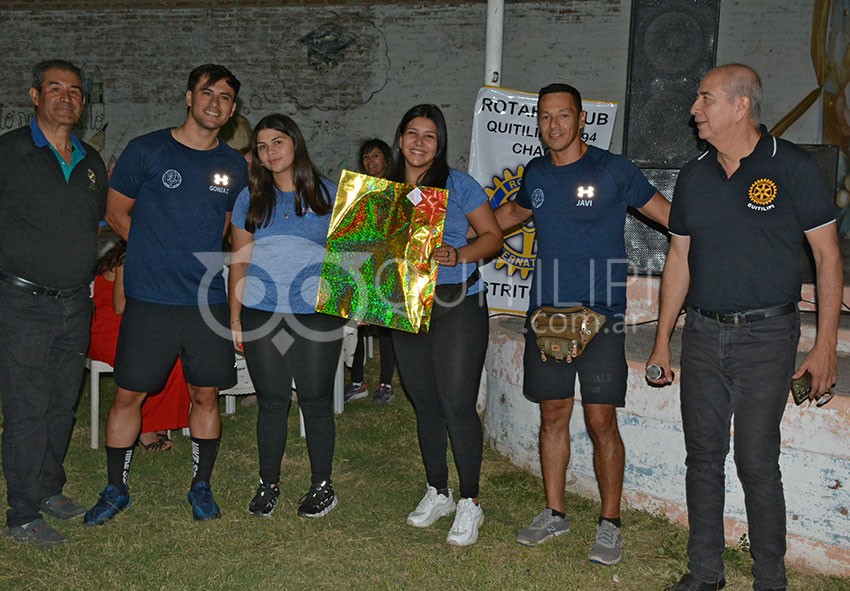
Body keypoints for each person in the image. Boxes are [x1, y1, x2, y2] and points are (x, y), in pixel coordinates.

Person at [647, 64, 842, 591]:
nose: (694, 109)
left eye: (705, 99)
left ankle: (769, 581)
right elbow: (679, 258)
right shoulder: (693, 176)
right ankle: (705, 574)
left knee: (757, 460)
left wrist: (825, 347)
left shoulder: (793, 166)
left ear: (740, 106)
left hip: (768, 336)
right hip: (704, 335)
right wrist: (663, 340)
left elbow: (827, 257)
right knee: (702, 458)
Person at [494, 83, 670, 565]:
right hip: (546, 316)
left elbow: (669, 216)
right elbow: (508, 215)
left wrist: (715, 234)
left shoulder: (614, 170)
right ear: (539, 122)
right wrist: (457, 228)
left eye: (563, 115)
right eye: (546, 117)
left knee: (600, 420)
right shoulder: (535, 173)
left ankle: (610, 523)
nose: (554, 125)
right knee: (553, 413)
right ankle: (555, 513)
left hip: (602, 319)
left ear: (580, 120)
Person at [84, 64, 248, 525]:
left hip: (206, 301)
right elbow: (116, 214)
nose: (215, 103)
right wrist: (158, 252)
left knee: (206, 395)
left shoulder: (233, 165)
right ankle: (116, 488)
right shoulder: (148, 149)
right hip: (150, 298)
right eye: (207, 93)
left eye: (225, 97)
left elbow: (228, 232)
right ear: (188, 97)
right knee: (129, 395)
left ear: (233, 109)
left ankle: (201, 486)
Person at [0, 59, 107, 546]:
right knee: (27, 405)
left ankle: (47, 489)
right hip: (22, 302)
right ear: (34, 95)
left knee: (63, 402)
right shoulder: (10, 152)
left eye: (76, 91)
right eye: (55, 88)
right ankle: (22, 514)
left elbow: (94, 228)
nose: (67, 97)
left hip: (74, 302)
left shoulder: (91, 163)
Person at [388, 104, 502, 546]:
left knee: (457, 401)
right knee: (425, 401)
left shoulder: (459, 185)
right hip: (404, 303)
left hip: (457, 299)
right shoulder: (382, 193)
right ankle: (439, 490)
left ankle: (471, 502)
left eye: (429, 136)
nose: (419, 142)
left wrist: (460, 254)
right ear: (400, 138)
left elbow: (492, 237)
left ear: (440, 143)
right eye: (412, 133)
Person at [229, 113, 344, 518]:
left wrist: (363, 302)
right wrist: (235, 317)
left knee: (314, 399)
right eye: (262, 146)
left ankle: (322, 485)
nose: (270, 152)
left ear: (295, 143)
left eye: (277, 142)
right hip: (262, 311)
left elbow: (353, 255)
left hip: (315, 312)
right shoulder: (249, 197)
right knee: (272, 401)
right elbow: (239, 262)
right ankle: (269, 483)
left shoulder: (330, 193)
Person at [88, 240, 191, 452]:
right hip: (109, 331)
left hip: (135, 328)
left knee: (177, 360)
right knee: (151, 360)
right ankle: (145, 428)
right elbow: (120, 306)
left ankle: (159, 422)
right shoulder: (127, 262)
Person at [345, 138, 398, 403]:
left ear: (387, 160)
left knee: (386, 327)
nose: (370, 161)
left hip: (388, 268)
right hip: (362, 266)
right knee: (355, 325)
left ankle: (386, 384)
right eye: (366, 157)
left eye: (375, 156)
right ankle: (357, 382)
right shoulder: (356, 191)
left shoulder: (398, 190)